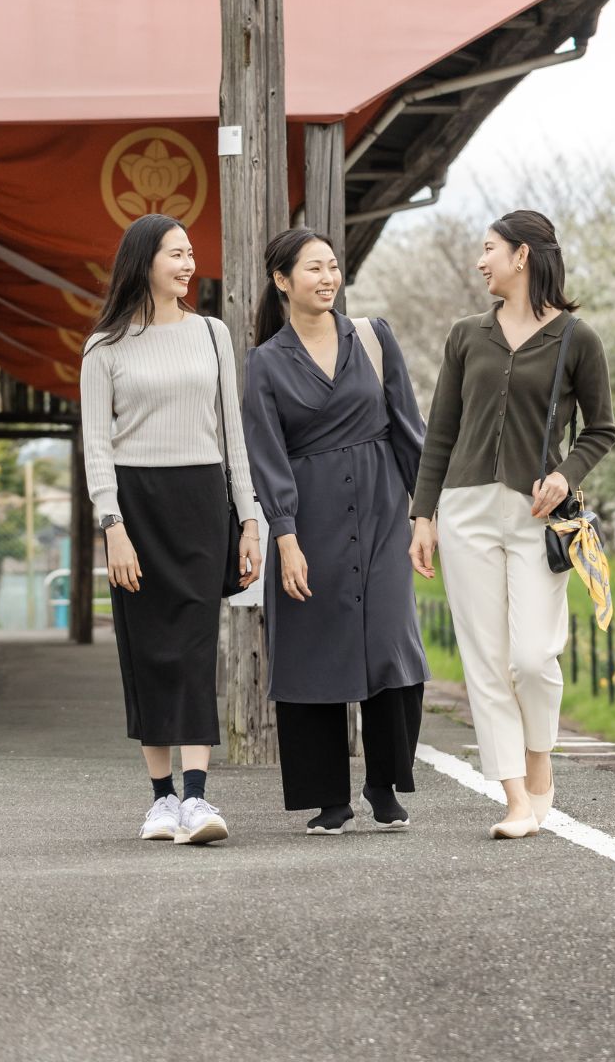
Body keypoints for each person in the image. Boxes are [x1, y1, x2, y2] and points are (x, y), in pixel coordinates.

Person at [409, 209, 615, 839]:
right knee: (486, 661)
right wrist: (423, 515)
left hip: (537, 516)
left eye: (489, 249)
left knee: (531, 657)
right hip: (466, 509)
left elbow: (601, 429)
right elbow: (440, 432)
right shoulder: (466, 335)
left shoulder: (577, 339)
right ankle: (515, 799)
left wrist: (566, 475)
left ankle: (539, 759)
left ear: (522, 255)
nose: (481, 261)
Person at [81, 214, 262, 845]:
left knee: (193, 648)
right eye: (175, 254)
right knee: (147, 650)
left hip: (201, 500)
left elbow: (233, 435)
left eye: (190, 254)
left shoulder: (212, 334)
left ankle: (197, 797)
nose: (188, 265)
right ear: (144, 261)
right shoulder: (104, 347)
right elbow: (97, 448)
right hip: (135, 505)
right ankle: (161, 801)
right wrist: (112, 525)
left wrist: (249, 518)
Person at [241, 228, 428, 835]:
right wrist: (285, 537)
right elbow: (267, 454)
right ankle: (329, 798)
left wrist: (425, 515)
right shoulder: (266, 362)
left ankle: (384, 783)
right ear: (282, 280)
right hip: (310, 521)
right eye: (313, 268)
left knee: (391, 645)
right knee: (313, 651)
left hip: (382, 512)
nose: (328, 279)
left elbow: (409, 429)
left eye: (332, 267)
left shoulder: (373, 338)